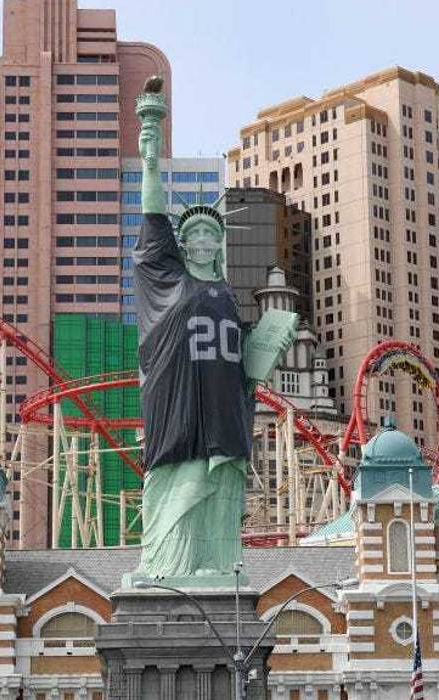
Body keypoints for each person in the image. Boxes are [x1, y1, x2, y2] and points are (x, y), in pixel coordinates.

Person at [130, 77, 295, 580]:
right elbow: (153, 212)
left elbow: (245, 365)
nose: (203, 240)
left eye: (211, 234)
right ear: (183, 243)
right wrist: (151, 155)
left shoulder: (227, 295)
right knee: (178, 484)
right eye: (195, 234)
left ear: (220, 244)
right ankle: (166, 564)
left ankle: (218, 562)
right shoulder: (167, 277)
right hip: (177, 405)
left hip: (225, 408)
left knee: (221, 489)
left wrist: (267, 350)